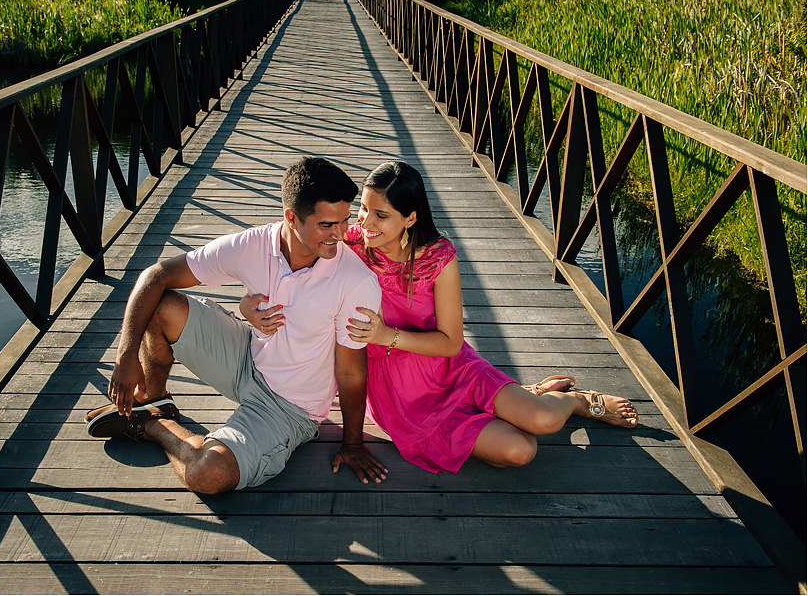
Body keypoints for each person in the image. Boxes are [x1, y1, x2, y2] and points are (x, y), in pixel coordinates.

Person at [241, 160, 637, 475]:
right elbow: (288, 254)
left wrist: (386, 336)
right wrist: (247, 305)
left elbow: (450, 342)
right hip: (397, 389)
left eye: (380, 215)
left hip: (447, 366)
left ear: (409, 219)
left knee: (543, 420)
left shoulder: (438, 258)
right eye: (363, 209)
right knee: (519, 450)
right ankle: (525, 394)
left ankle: (576, 401)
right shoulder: (349, 242)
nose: (362, 223)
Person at [86, 156, 388, 493]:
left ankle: (153, 424)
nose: (340, 234)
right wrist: (125, 356)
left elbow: (350, 372)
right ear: (291, 217)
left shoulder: (356, 282)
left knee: (207, 473)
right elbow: (155, 276)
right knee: (162, 305)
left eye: (345, 221)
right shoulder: (252, 245)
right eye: (327, 225)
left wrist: (352, 445)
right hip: (246, 357)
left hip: (289, 407)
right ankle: (154, 398)